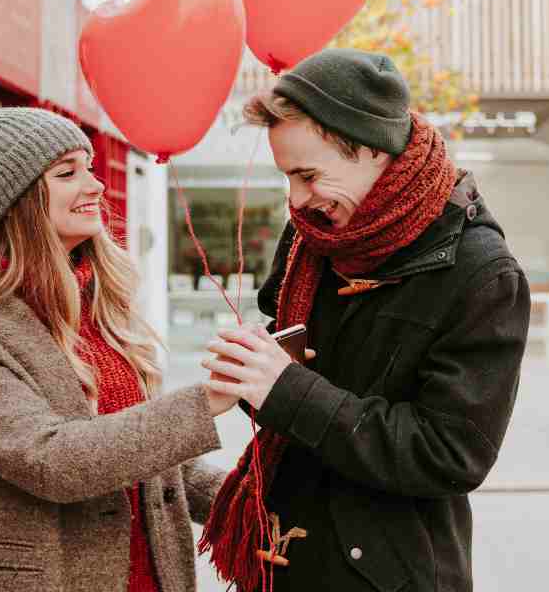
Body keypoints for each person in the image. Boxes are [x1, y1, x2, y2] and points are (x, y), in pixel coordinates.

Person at [199, 48, 531, 592]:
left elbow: (451, 454)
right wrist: (254, 369)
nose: (297, 200)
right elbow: (289, 358)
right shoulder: (317, 235)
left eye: (308, 175)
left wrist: (286, 390)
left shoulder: (483, 275)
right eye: (288, 177)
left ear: (374, 150)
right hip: (283, 556)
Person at [0, 104, 232, 592]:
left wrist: (247, 503)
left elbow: (144, 452)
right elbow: (52, 460)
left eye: (90, 167)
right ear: (18, 200)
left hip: (148, 576)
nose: (96, 185)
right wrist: (208, 402)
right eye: (67, 173)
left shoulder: (98, 300)